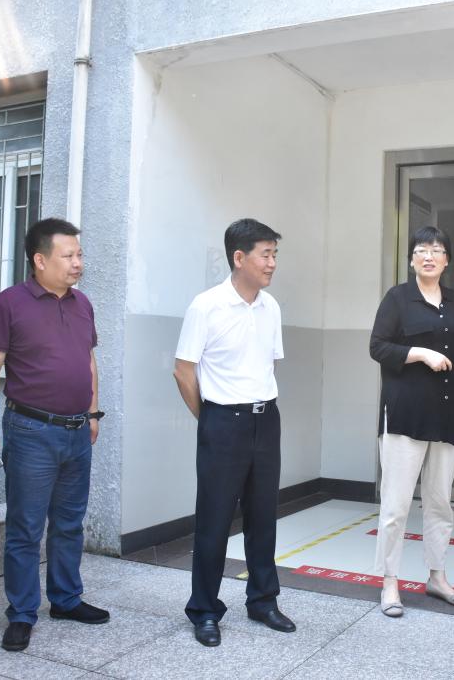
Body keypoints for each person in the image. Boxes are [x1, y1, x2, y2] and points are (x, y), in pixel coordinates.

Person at [0, 218, 108, 653]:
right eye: (68, 255)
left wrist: (93, 412)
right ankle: (21, 613)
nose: (78, 263)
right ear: (40, 259)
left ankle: (66, 600)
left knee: (69, 522)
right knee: (26, 527)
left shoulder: (83, 303)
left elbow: (88, 361)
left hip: (76, 430)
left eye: (79, 254)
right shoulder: (10, 303)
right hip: (30, 429)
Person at [173, 218, 295, 647]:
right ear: (239, 257)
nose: (272, 263)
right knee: (214, 520)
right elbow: (183, 371)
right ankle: (205, 610)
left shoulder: (271, 307)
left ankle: (263, 600)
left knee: (263, 516)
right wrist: (209, 418)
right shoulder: (206, 306)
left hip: (266, 418)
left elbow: (268, 363)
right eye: (266, 254)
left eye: (275, 254)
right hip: (223, 422)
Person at [369, 226, 454, 618]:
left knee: (440, 503)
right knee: (396, 506)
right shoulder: (397, 298)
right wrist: (419, 353)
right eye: (421, 250)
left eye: (436, 250)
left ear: (447, 260)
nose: (429, 256)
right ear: (412, 259)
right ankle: (390, 582)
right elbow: (378, 347)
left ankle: (437, 577)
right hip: (405, 415)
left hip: (447, 414)